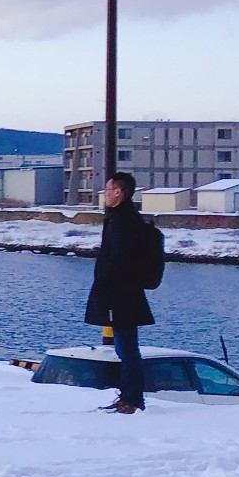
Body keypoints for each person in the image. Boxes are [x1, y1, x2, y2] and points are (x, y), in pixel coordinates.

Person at [84, 171, 162, 414]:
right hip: (125, 292)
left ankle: (132, 398)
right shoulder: (123, 217)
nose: (105, 195)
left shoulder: (122, 219)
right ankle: (128, 396)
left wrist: (106, 284)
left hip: (121, 294)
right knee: (124, 348)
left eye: (108, 190)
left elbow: (118, 258)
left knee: (127, 349)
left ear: (119, 192)